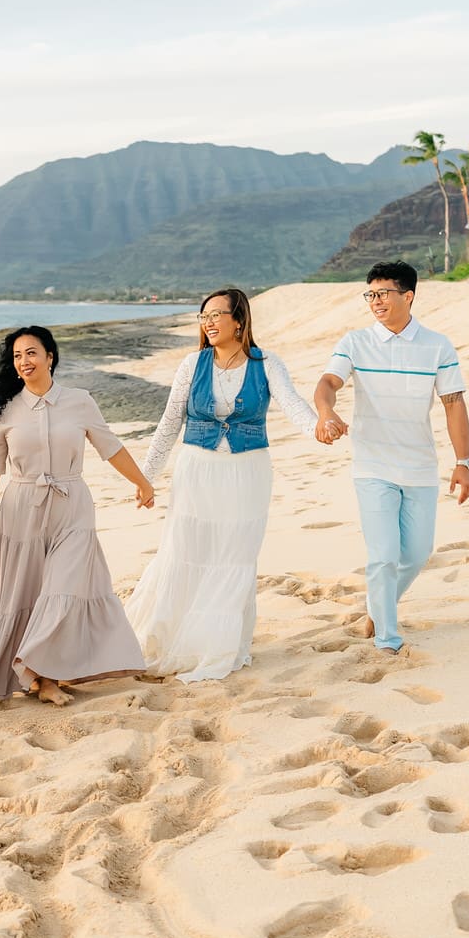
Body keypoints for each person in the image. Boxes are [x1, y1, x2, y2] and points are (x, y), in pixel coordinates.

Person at [126, 287, 317, 682]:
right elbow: (169, 422)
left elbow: (293, 403)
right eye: (203, 316)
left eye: (216, 314)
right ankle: (174, 637)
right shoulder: (191, 364)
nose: (209, 322)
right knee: (187, 549)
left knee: (234, 555)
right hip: (197, 469)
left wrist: (319, 428)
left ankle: (216, 643)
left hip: (247, 472)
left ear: (239, 320)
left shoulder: (266, 363)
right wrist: (146, 477)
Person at [0, 326, 152, 706]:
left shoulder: (79, 401)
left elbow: (110, 446)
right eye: (17, 356)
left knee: (62, 590)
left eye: (31, 353)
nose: (24, 361)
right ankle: (42, 679)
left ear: (50, 357)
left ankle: (47, 676)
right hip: (21, 510)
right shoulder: (7, 410)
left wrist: (142, 483)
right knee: (29, 594)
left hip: (72, 506)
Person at [313, 261, 469, 652]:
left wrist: (463, 462)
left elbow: (454, 404)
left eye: (383, 293)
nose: (375, 301)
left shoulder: (438, 345)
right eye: (370, 294)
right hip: (372, 467)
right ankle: (387, 636)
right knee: (384, 555)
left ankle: (377, 604)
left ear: (408, 296)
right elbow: (328, 383)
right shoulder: (355, 342)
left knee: (416, 555)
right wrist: (325, 411)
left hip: (419, 466)